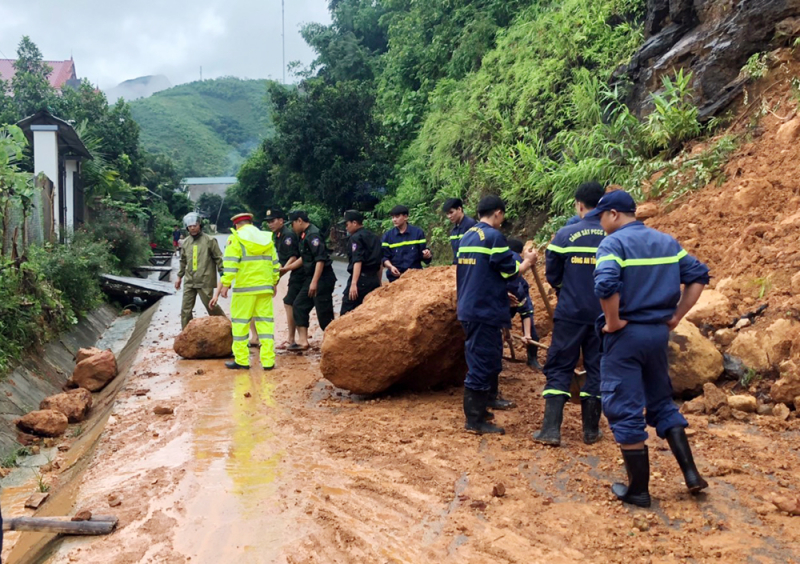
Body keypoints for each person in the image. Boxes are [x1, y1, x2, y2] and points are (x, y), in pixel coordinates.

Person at [591, 190, 710, 508]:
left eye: (601, 217)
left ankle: (639, 490)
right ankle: (692, 474)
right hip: (658, 335)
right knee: (660, 400)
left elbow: (606, 285)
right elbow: (699, 275)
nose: (600, 224)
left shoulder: (612, 244)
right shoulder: (666, 242)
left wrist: (613, 322)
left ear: (614, 214)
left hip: (626, 337)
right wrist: (675, 316)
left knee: (623, 406)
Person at [533, 181, 607, 447]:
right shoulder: (613, 236)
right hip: (603, 314)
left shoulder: (565, 235)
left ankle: (551, 430)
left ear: (579, 204)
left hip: (570, 312)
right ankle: (591, 432)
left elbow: (552, 273)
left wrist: (565, 288)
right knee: (596, 367)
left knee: (560, 365)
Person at [457, 195, 538, 435]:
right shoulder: (493, 237)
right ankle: (474, 420)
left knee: (488, 359)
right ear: (498, 213)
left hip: (471, 308)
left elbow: (482, 273)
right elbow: (512, 272)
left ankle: (481, 410)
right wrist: (528, 261)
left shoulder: (467, 235)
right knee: (482, 363)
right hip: (483, 311)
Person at [209, 213, 279, 370]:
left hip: (245, 290)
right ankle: (268, 362)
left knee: (240, 324)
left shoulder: (236, 238)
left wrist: (226, 284)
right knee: (266, 325)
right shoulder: (266, 238)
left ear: (236, 225)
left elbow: (231, 264)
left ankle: (241, 360)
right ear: (251, 223)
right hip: (264, 288)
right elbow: (275, 263)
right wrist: (274, 281)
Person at [288, 210, 337, 349]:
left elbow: (320, 260)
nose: (292, 228)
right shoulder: (304, 235)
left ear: (299, 221)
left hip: (322, 278)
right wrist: (287, 268)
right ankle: (303, 341)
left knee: (324, 314)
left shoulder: (313, 234)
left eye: (292, 224)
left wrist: (314, 282)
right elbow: (305, 258)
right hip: (312, 277)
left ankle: (334, 343)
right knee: (299, 305)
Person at [175, 213, 225, 329]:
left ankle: (226, 328)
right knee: (185, 309)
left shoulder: (210, 240)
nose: (192, 228)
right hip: (189, 280)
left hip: (205, 280)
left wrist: (224, 278)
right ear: (187, 227)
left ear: (200, 225)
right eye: (190, 226)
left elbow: (219, 259)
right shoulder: (186, 242)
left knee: (211, 306)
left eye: (195, 225)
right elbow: (183, 261)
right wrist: (179, 277)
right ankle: (186, 334)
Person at [266, 207, 304, 349]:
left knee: (290, 302)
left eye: (273, 221)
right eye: (268, 221)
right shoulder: (278, 235)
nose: (270, 224)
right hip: (294, 271)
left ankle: (292, 339)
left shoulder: (287, 236)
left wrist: (277, 277)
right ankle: (292, 338)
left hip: (300, 272)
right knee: (290, 303)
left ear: (281, 221)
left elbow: (292, 257)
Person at [506, 238, 541, 370]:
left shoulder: (519, 289)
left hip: (514, 296)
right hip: (501, 302)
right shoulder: (498, 288)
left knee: (531, 330)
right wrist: (506, 333)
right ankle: (532, 360)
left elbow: (526, 312)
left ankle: (532, 359)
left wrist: (527, 336)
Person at [340, 210, 383, 315]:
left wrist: (354, 283)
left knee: (347, 312)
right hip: (373, 280)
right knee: (367, 312)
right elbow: (380, 262)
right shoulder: (375, 237)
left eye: (347, 224)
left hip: (360, 280)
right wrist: (379, 281)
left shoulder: (355, 238)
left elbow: (357, 260)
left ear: (354, 223)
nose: (346, 228)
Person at [382, 205, 432, 282]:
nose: (394, 220)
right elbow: (384, 257)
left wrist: (427, 255)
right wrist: (391, 267)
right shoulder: (388, 236)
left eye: (397, 216)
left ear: (405, 217)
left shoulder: (418, 233)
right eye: (393, 217)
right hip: (396, 279)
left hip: (415, 278)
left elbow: (423, 254)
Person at [442, 198, 477, 264]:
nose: (449, 216)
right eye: (447, 214)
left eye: (451, 212)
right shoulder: (454, 230)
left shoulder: (471, 225)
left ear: (459, 209)